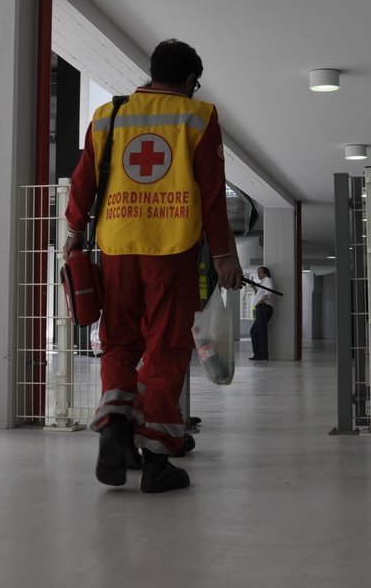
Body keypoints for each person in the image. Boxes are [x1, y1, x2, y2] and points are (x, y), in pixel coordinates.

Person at [64, 38, 243, 494]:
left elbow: (85, 177)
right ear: (189, 80)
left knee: (118, 341)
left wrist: (73, 230)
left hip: (117, 246)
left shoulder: (109, 115)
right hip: (172, 247)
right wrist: (223, 255)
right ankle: (158, 458)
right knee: (165, 349)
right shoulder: (198, 116)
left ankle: (115, 426)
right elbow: (211, 193)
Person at [247, 265, 276, 360]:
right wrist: (254, 288)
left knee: (261, 332)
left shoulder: (268, 280)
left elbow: (269, 292)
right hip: (261, 309)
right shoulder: (262, 283)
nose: (258, 274)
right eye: (258, 272)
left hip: (264, 308)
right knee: (254, 332)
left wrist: (261, 302)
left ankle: (263, 356)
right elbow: (258, 296)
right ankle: (258, 355)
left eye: (260, 272)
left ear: (265, 273)